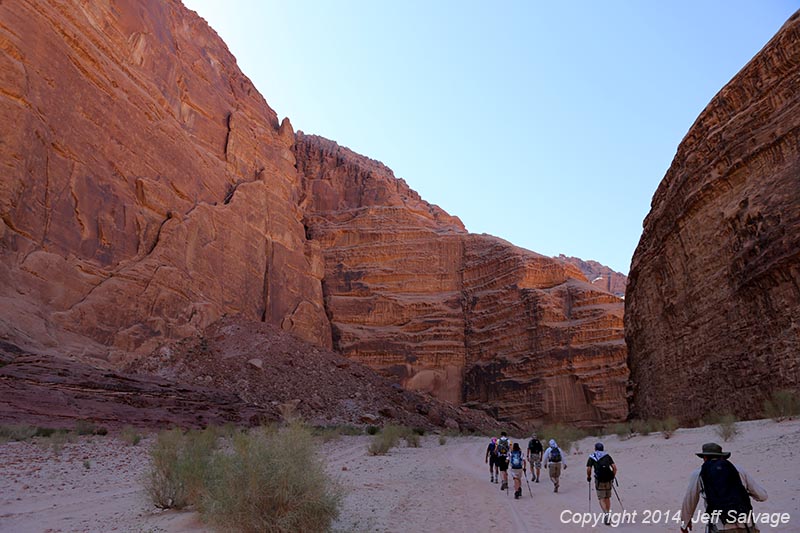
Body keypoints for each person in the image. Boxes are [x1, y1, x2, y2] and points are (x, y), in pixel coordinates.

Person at [680, 442, 767, 533]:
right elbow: (762, 496)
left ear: (704, 458)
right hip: (747, 525)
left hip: (720, 527)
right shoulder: (738, 470)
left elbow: (690, 500)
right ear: (722, 457)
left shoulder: (699, 473)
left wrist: (684, 522)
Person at [586, 442, 617, 526]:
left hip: (599, 480)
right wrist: (612, 477)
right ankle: (608, 513)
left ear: (595, 448)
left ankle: (606, 513)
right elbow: (614, 467)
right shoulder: (607, 456)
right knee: (607, 497)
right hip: (608, 479)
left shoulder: (592, 457)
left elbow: (589, 469)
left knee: (601, 498)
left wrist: (588, 477)